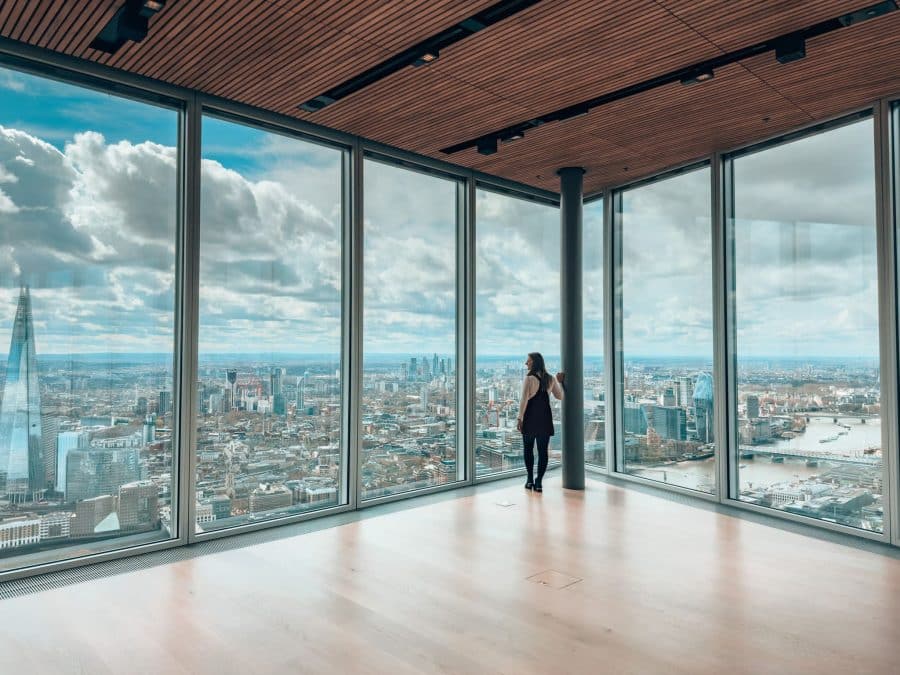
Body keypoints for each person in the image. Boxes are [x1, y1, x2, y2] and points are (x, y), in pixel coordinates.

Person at [516, 352, 565, 492]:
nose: (526, 363)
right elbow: (560, 396)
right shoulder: (550, 379)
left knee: (528, 449)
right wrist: (560, 381)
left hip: (530, 418)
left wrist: (520, 418)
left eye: (528, 361)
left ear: (535, 362)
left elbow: (524, 400)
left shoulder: (529, 379)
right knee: (543, 452)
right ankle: (539, 482)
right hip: (544, 418)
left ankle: (530, 479)